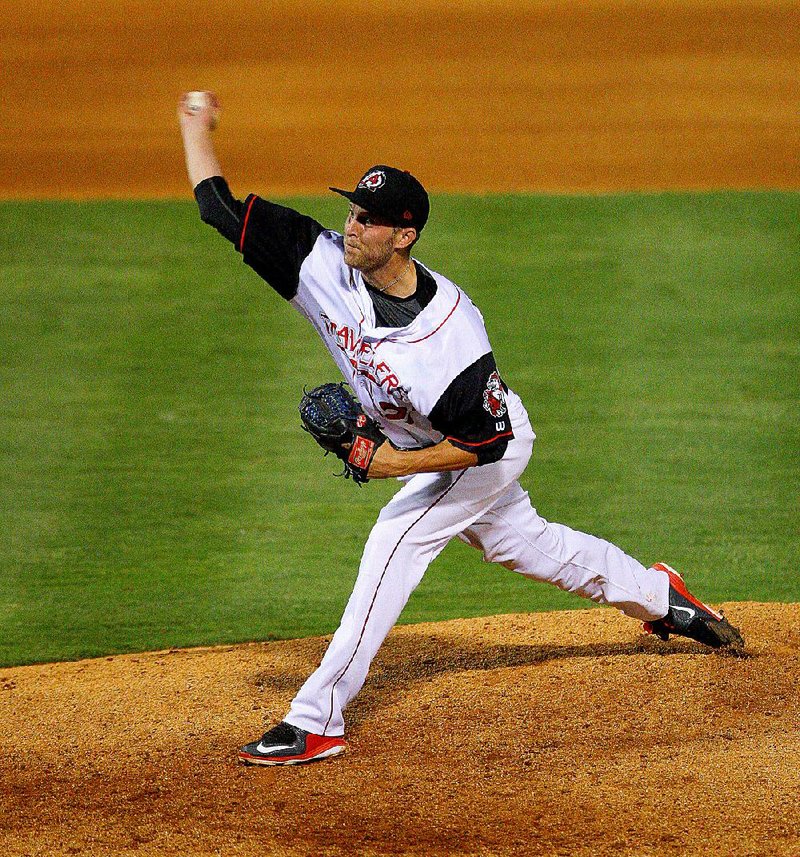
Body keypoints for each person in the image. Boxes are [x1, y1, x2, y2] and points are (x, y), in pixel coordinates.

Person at [178, 91, 744, 766]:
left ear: (405, 236)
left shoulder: (450, 343)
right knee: (524, 545)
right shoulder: (320, 261)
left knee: (395, 540)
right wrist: (193, 124)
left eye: (370, 220)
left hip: (481, 450)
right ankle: (659, 595)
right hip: (437, 442)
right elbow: (217, 204)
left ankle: (317, 718)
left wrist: (383, 462)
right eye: (353, 210)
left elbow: (485, 444)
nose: (351, 226)